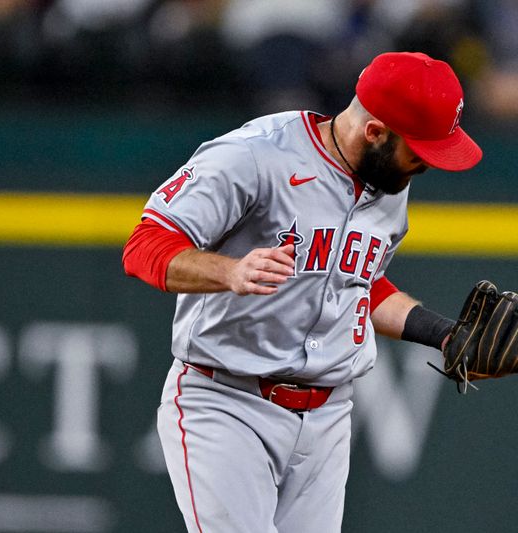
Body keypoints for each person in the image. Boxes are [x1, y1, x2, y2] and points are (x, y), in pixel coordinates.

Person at [122, 51, 482, 533]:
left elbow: (359, 282)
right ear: (374, 132)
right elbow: (144, 246)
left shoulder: (388, 176)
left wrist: (445, 335)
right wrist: (228, 271)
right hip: (226, 401)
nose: (425, 165)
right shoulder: (253, 155)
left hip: (327, 419)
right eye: (419, 151)